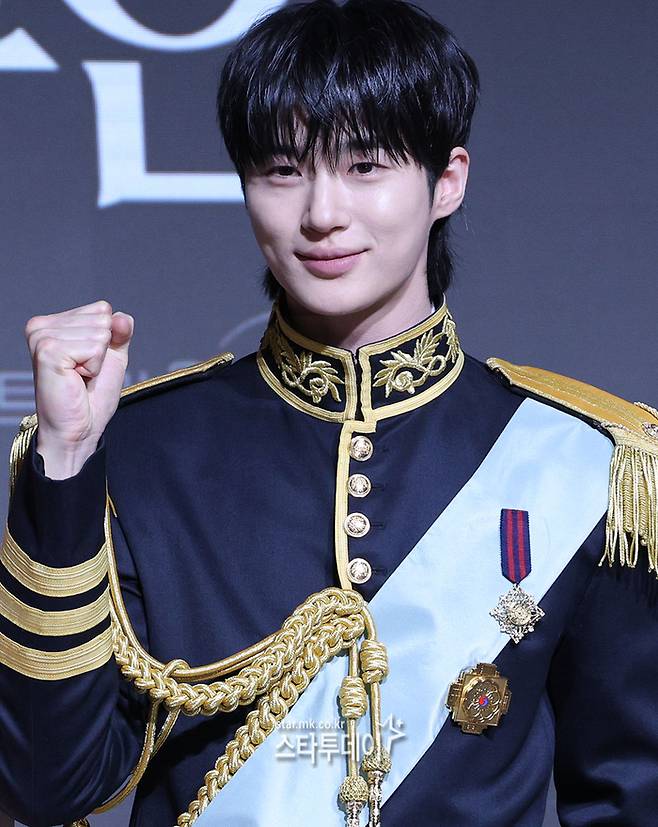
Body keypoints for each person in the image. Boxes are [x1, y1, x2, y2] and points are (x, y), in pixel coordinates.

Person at [1, 1, 657, 825]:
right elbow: (43, 787)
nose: (321, 213)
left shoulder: (583, 460)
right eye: (283, 169)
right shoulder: (138, 448)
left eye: (365, 165)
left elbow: (631, 796)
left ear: (448, 181)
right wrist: (64, 462)